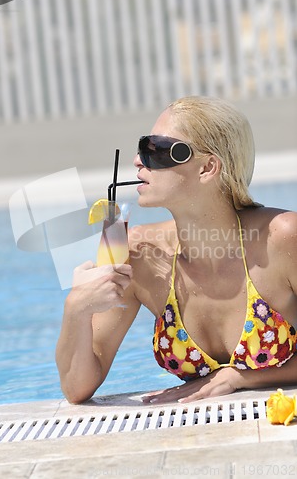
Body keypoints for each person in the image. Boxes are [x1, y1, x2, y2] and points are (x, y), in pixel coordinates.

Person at [56, 96, 297, 405]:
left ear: (208, 167)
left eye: (156, 149)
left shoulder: (282, 238)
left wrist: (242, 377)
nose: (138, 161)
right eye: (142, 148)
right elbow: (76, 388)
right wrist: (76, 308)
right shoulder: (138, 254)